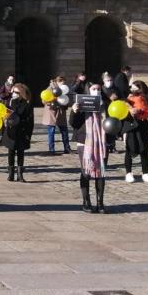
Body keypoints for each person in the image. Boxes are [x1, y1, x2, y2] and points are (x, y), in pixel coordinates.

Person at [70, 82, 108, 213]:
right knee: (86, 171)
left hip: (101, 143)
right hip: (85, 141)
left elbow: (112, 124)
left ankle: (100, 203)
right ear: (88, 91)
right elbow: (74, 124)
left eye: (98, 89)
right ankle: (86, 201)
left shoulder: (105, 104)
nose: (96, 91)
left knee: (100, 172)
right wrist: (75, 111)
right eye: (94, 89)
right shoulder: (82, 104)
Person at [123, 80, 148, 183]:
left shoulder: (147, 98)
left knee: (144, 149)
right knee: (129, 149)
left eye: (134, 88)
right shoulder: (129, 98)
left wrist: (140, 112)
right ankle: (128, 173)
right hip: (131, 124)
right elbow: (123, 110)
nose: (132, 90)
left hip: (143, 124)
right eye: (131, 88)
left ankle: (145, 173)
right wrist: (130, 110)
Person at [1, 83, 34, 183]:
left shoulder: (27, 104)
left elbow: (30, 121)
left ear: (21, 93)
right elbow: (5, 115)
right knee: (10, 152)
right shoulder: (11, 102)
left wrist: (29, 134)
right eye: (13, 91)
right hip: (11, 131)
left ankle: (20, 175)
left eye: (16, 92)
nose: (13, 93)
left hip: (22, 131)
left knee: (20, 153)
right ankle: (11, 174)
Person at [43, 78, 71, 154]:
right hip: (51, 113)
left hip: (61, 113)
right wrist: (53, 100)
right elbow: (44, 100)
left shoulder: (64, 89)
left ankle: (67, 148)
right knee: (51, 132)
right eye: (62, 82)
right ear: (57, 82)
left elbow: (66, 99)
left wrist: (65, 104)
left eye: (64, 83)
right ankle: (51, 149)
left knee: (64, 131)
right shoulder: (50, 88)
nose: (63, 84)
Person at [101, 72, 121, 153]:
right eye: (107, 80)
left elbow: (121, 97)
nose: (109, 82)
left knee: (112, 129)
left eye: (110, 80)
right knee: (104, 129)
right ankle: (104, 145)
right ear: (103, 81)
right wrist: (109, 99)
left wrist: (117, 98)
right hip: (104, 111)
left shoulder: (116, 88)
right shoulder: (101, 89)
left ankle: (112, 146)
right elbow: (100, 100)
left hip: (113, 111)